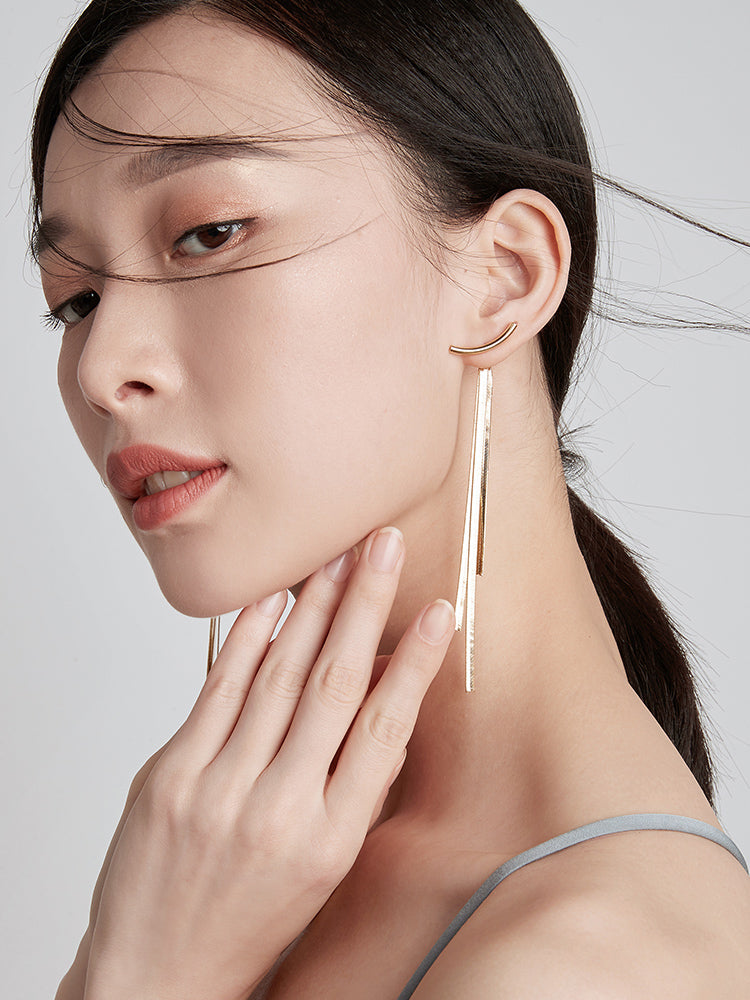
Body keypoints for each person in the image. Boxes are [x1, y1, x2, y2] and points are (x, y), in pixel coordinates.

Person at [31, 1, 749, 997]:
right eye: (77, 298)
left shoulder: (597, 962)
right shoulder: (228, 857)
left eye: (208, 234)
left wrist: (144, 974)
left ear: (504, 276)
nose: (102, 368)